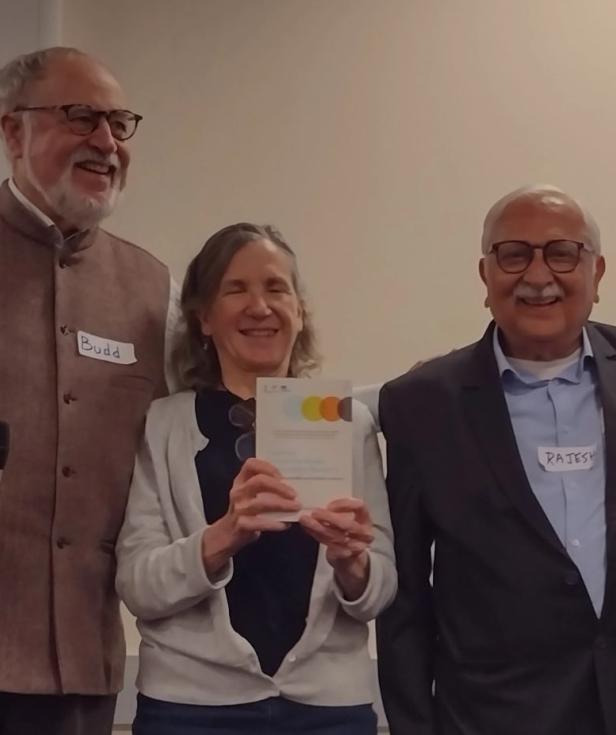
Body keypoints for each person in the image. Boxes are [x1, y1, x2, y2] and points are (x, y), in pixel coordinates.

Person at [376, 185, 616, 735]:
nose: (538, 275)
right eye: (514, 254)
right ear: (485, 274)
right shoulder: (421, 403)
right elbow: (405, 599)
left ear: (597, 273)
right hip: (491, 717)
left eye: (562, 253)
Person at [115, 223, 396, 735]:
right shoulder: (164, 425)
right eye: (236, 289)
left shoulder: (348, 424)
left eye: (275, 288)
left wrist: (352, 561)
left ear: (300, 310)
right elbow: (138, 585)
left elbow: (380, 590)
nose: (260, 306)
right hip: (189, 708)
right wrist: (224, 536)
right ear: (203, 317)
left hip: (329, 709)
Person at [0, 47, 177, 734]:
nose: (106, 142)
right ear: (13, 132)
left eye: (119, 124)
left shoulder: (150, 288)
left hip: (82, 661)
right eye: (80, 117)